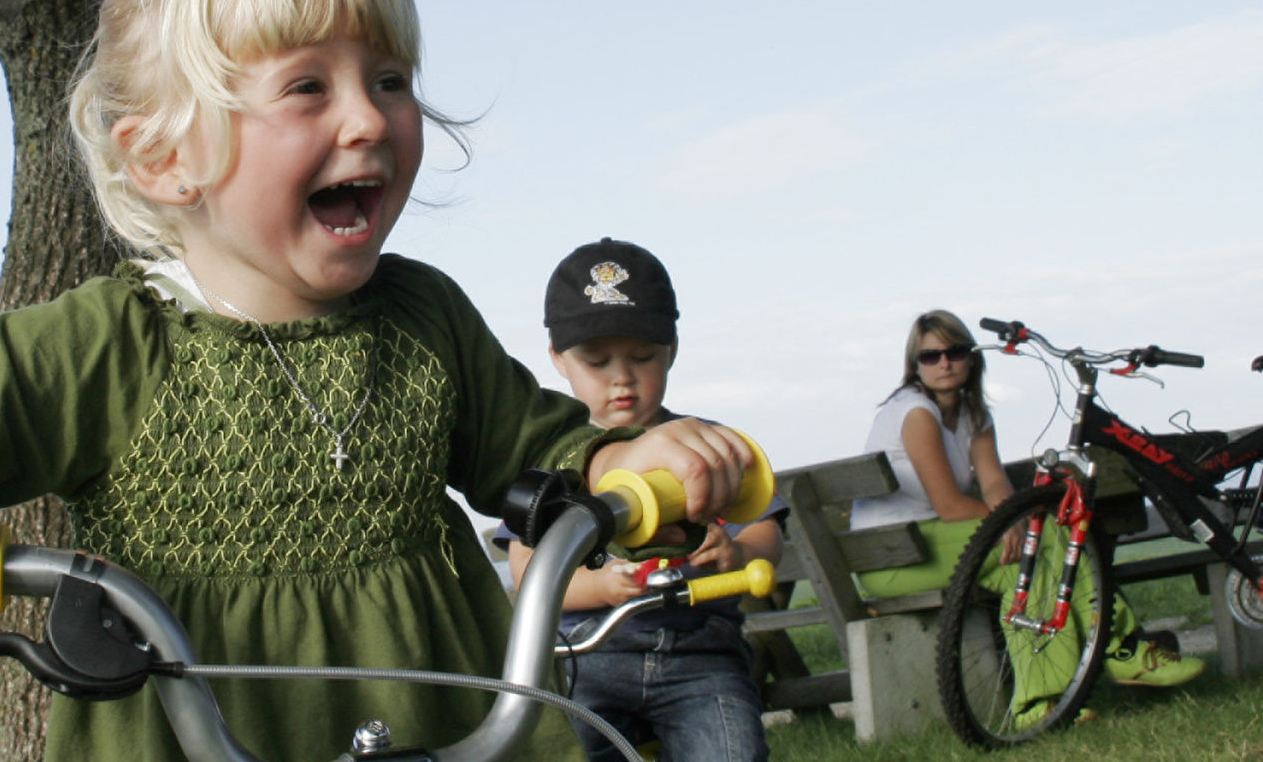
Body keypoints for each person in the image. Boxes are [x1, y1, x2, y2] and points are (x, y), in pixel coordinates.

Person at [0, 0, 755, 761]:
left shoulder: (424, 317)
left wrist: (632, 457)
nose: (370, 118)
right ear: (166, 157)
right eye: (307, 88)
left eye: (390, 78)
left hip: (446, 730)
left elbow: (540, 447)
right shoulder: (110, 342)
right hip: (192, 733)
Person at [495, 239, 782, 762]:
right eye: (597, 361)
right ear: (558, 359)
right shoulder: (555, 466)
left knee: (731, 752)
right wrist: (600, 586)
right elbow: (527, 569)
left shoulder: (709, 448)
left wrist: (739, 555)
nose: (621, 377)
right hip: (588, 653)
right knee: (562, 749)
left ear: (671, 348)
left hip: (700, 653)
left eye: (643, 356)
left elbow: (765, 531)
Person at [851, 310, 1202, 728]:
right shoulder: (915, 413)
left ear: (973, 358)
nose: (944, 363)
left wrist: (1013, 518)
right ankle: (1123, 649)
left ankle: (1037, 704)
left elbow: (994, 482)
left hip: (934, 545)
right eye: (931, 356)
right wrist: (1012, 521)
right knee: (1048, 536)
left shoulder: (973, 414)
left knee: (1029, 562)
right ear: (915, 365)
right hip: (893, 555)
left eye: (955, 351)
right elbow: (949, 505)